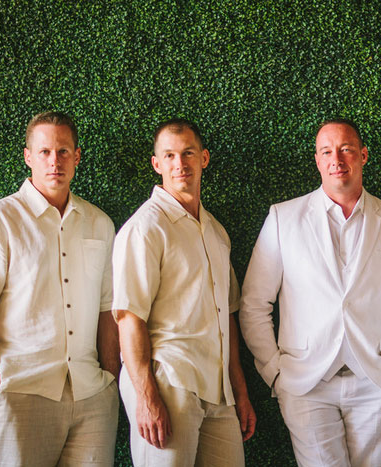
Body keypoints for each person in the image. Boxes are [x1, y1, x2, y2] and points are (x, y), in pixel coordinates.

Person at [240, 119, 381, 466]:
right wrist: (275, 371)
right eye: (327, 151)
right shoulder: (284, 218)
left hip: (376, 380)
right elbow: (255, 304)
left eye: (346, 149)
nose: (337, 159)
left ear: (363, 155)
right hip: (304, 382)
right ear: (317, 160)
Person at [0, 111, 120, 466]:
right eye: (44, 152)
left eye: (63, 151)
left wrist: (111, 381)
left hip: (92, 395)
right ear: (28, 157)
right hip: (21, 391)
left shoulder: (100, 223)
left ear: (77, 156)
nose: (54, 161)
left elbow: (109, 309)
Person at [113, 118, 256, 466]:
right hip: (169, 381)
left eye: (188, 153)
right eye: (170, 155)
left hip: (218, 390)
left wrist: (239, 390)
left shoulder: (216, 232)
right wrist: (145, 397)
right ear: (156, 164)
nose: (180, 164)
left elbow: (228, 315)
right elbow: (129, 317)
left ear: (203, 158)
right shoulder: (145, 229)